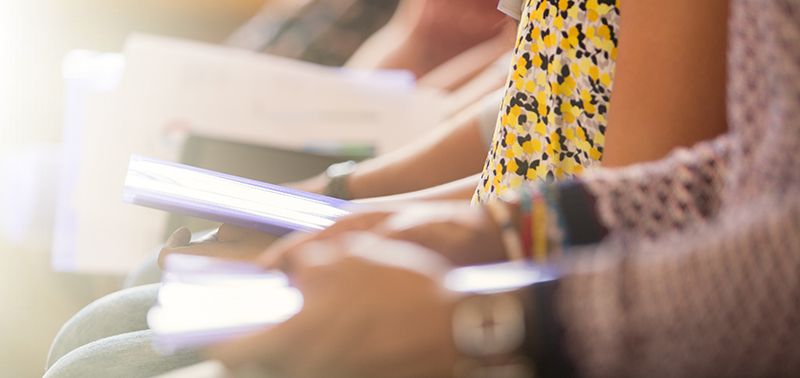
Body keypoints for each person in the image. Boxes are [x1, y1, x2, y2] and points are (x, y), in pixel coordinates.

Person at [199, 0, 800, 377]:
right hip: (547, 280)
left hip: (591, 319)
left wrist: (487, 320)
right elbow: (740, 173)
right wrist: (488, 229)